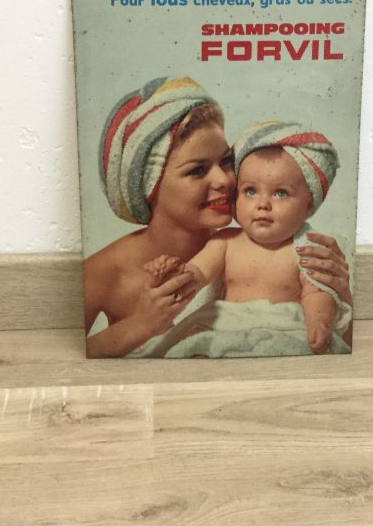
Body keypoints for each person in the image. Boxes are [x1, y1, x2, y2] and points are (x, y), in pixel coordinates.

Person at [83, 77, 352, 358]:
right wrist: (139, 325)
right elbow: (68, 358)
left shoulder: (264, 238)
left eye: (225, 161)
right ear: (149, 187)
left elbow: (337, 348)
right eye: (197, 170)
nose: (224, 180)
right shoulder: (100, 273)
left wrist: (341, 293)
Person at [144, 120, 347, 354]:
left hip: (281, 330)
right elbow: (197, 273)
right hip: (226, 328)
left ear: (308, 206)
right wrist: (172, 274)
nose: (263, 204)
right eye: (250, 191)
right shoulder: (226, 242)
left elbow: (317, 292)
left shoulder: (306, 248)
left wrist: (319, 322)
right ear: (235, 197)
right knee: (195, 349)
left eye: (281, 193)